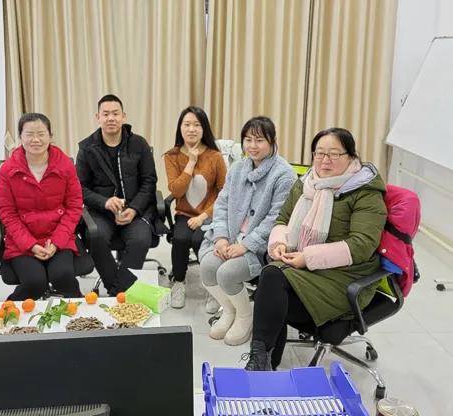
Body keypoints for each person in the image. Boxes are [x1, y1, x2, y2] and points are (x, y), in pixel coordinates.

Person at [243, 127, 387, 371]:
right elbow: (283, 220)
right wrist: (279, 243)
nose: (324, 160)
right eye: (319, 153)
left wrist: (307, 258)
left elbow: (362, 245)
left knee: (271, 281)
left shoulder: (365, 192)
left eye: (334, 154)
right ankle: (263, 362)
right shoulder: (307, 183)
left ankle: (260, 365)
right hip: (306, 269)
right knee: (270, 279)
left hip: (345, 277)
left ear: (351, 156)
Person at [198, 116, 296, 346]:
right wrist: (221, 237)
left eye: (259, 140)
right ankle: (230, 311)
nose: (252, 146)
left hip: (261, 246)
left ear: (272, 142)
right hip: (231, 238)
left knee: (227, 274)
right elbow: (222, 204)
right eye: (248, 140)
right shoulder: (238, 168)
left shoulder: (284, 175)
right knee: (208, 267)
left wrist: (246, 245)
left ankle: (245, 316)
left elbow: (277, 219)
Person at [76, 94, 163, 295]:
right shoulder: (87, 148)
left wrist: (134, 209)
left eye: (115, 114)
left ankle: (117, 292)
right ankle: (120, 292)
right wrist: (105, 202)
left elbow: (149, 182)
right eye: (105, 114)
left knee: (141, 239)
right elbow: (80, 188)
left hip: (135, 210)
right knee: (95, 235)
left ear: (123, 116)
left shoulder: (139, 144)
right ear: (97, 117)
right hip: (101, 211)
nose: (111, 118)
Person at [0, 113, 83, 300]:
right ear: (21, 137)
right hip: (22, 242)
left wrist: (57, 242)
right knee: (34, 283)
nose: (35, 140)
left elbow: (74, 207)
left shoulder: (65, 165)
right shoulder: (8, 170)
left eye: (41, 134)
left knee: (63, 276)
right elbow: (7, 213)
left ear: (50, 136)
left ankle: (81, 312)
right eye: (29, 134)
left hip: (58, 237)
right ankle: (7, 311)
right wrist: (31, 245)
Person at [163, 106, 227, 309]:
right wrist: (191, 163)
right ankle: (179, 282)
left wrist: (203, 217)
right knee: (180, 238)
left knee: (201, 240)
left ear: (204, 128)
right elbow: (176, 190)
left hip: (211, 215)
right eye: (187, 124)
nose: (191, 129)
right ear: (180, 128)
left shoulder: (215, 156)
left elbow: (224, 194)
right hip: (184, 213)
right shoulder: (172, 156)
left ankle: (212, 286)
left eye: (197, 125)